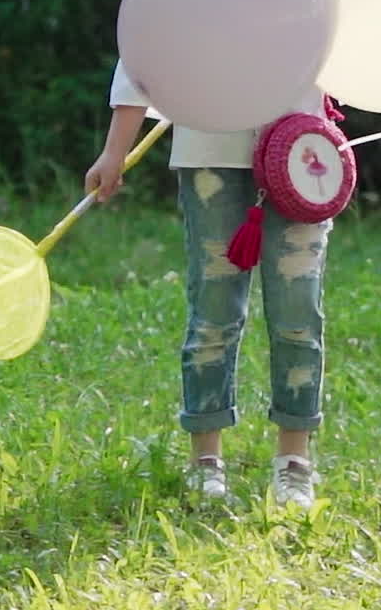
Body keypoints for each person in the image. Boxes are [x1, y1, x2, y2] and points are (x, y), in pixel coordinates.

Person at [83, 63, 331, 507]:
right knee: (214, 310)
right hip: (210, 152)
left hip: (301, 147)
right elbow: (149, 48)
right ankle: (205, 460)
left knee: (298, 311)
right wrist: (115, 150)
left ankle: (294, 461)